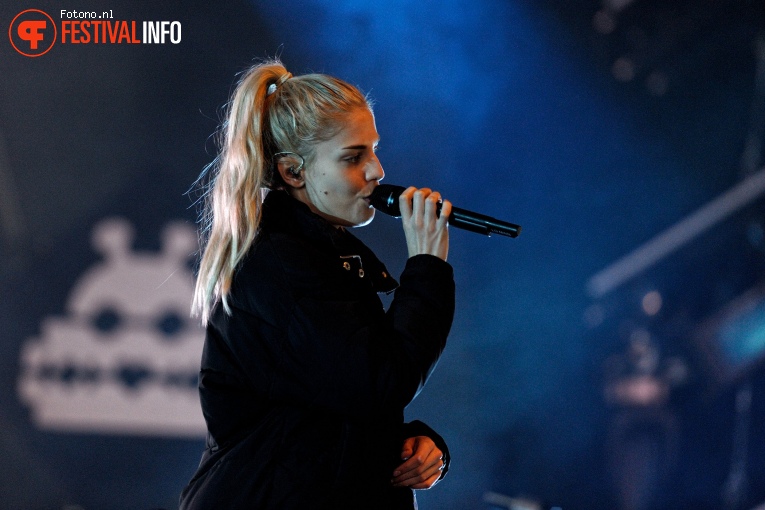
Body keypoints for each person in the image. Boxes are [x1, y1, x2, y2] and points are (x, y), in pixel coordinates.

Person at [179, 59, 455, 509]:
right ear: (293, 172)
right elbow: (379, 381)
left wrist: (412, 443)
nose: (377, 170)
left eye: (374, 150)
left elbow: (322, 409)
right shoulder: (284, 268)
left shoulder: (320, 260)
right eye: (353, 157)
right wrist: (426, 265)